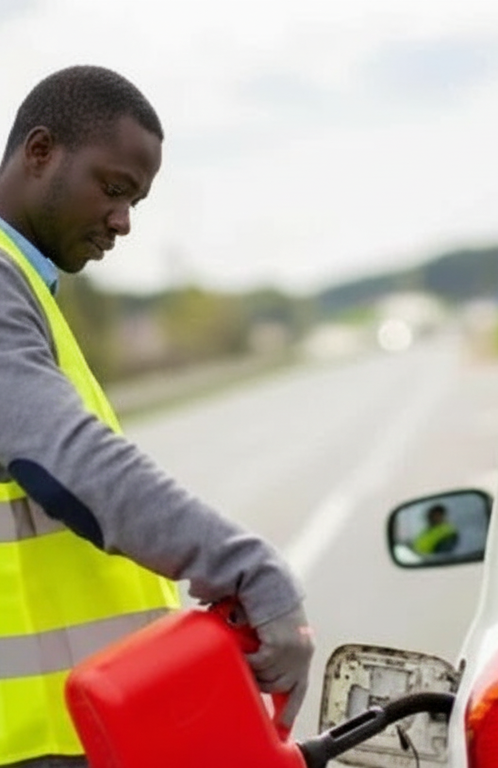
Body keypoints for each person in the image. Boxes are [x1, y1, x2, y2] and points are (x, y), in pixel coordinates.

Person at [0, 66, 314, 768]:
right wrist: (247, 567)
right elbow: (67, 460)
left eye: (135, 200)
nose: (123, 221)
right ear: (40, 151)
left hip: (76, 734)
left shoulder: (26, 289)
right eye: (112, 189)